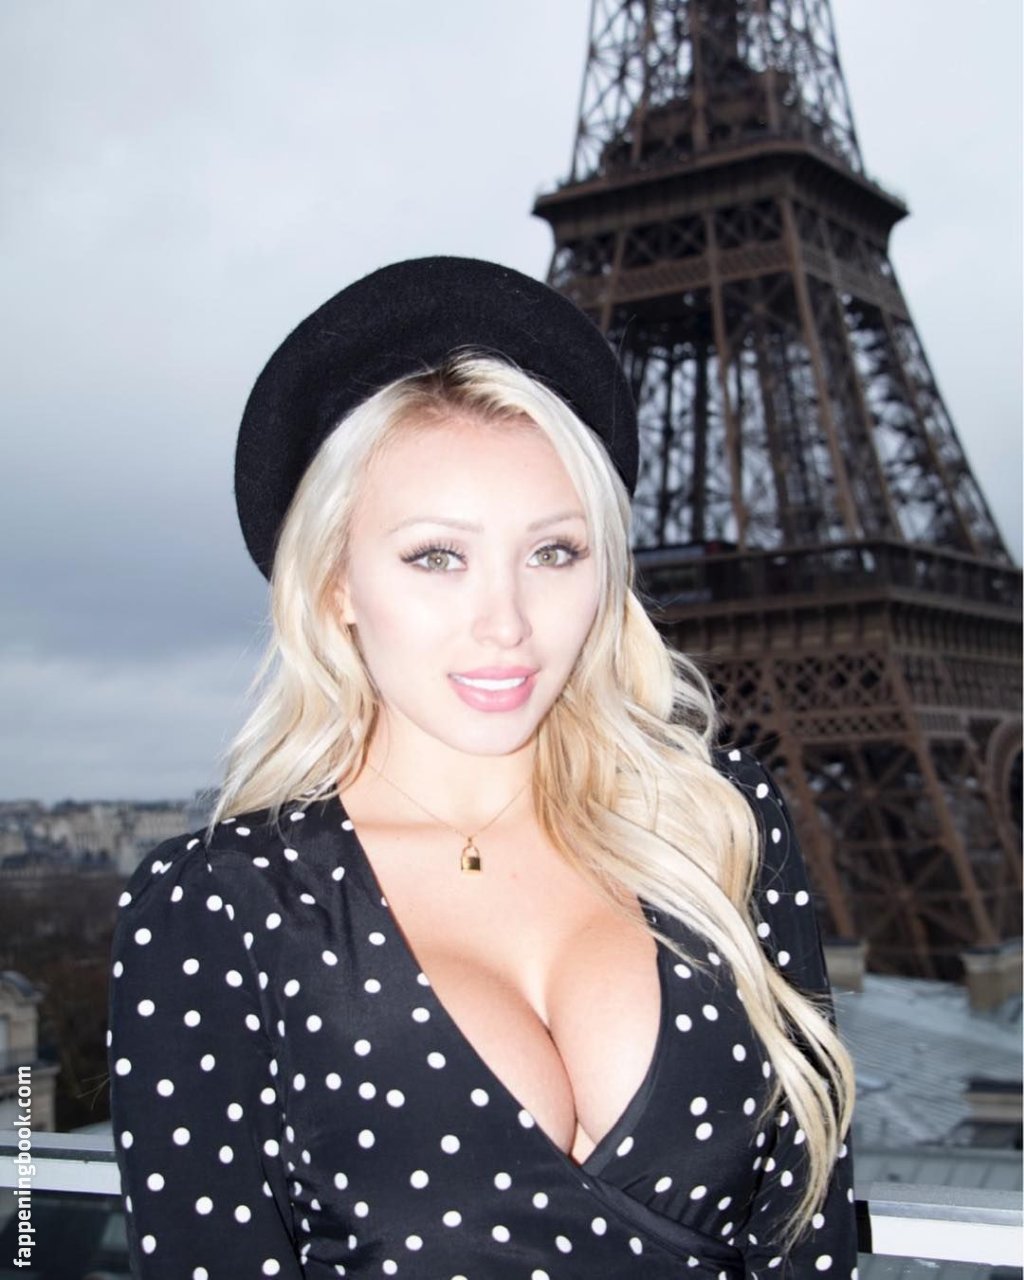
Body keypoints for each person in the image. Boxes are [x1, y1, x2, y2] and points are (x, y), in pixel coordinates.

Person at [107, 256, 857, 1279]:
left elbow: (807, 1238)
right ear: (336, 585)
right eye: (436, 556)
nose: (506, 623)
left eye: (553, 553)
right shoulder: (214, 905)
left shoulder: (719, 825)